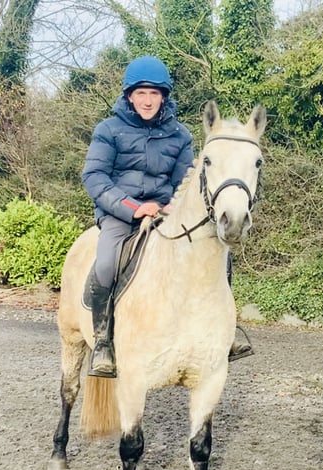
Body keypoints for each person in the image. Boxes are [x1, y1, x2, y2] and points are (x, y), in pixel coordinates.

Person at [82, 55, 252, 378]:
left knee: (220, 254)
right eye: (141, 93)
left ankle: (226, 331)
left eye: (154, 94)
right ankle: (104, 341)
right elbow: (94, 178)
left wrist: (176, 206)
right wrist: (133, 207)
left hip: (165, 213)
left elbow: (186, 181)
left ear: (164, 97)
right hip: (121, 213)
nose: (148, 101)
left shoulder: (180, 135)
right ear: (130, 96)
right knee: (105, 262)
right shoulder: (109, 130)